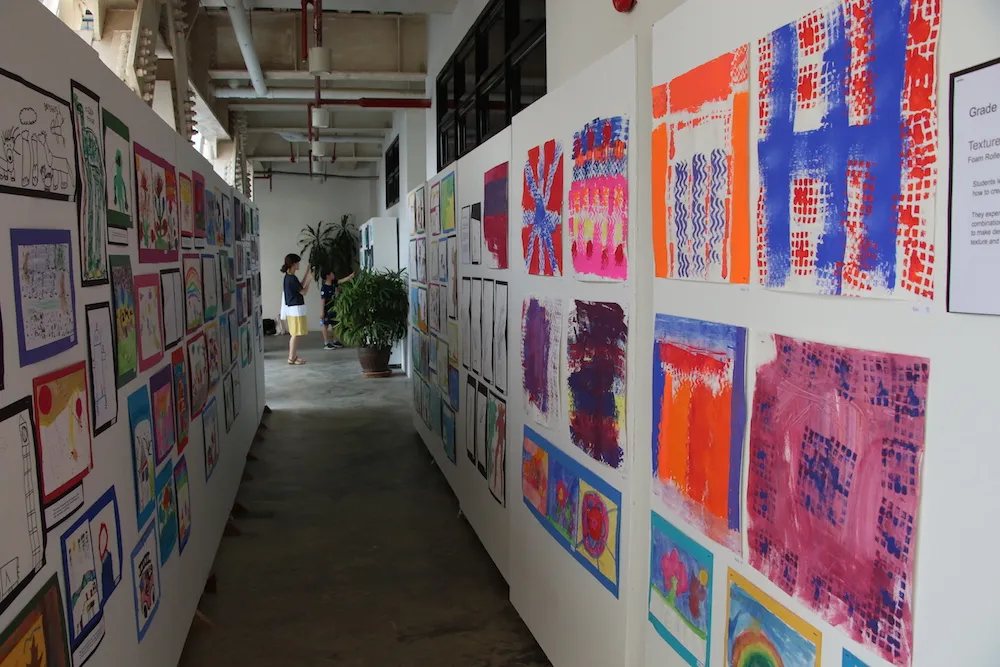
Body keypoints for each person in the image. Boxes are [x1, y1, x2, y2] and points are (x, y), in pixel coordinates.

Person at [281, 253, 312, 364]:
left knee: (296, 333)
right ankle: (291, 358)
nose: (299, 264)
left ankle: (293, 356)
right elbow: (303, 291)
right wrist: (309, 280)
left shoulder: (290, 277)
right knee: (295, 334)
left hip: (294, 308)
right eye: (297, 262)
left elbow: (300, 286)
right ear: (293, 264)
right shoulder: (291, 278)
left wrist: (307, 274)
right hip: (295, 309)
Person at [320, 269, 355, 349]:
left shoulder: (333, 283)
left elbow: (341, 281)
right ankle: (326, 343)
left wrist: (350, 277)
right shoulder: (324, 288)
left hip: (334, 308)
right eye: (332, 273)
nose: (333, 274)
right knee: (325, 325)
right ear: (328, 276)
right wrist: (321, 312)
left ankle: (335, 341)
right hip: (327, 310)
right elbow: (323, 300)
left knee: (335, 325)